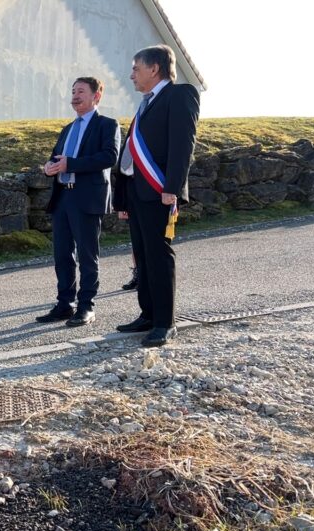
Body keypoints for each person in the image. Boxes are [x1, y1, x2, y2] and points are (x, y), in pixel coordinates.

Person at [114, 44, 200, 347]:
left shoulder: (180, 94)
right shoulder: (145, 102)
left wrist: (171, 189)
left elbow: (182, 145)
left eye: (136, 68)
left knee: (159, 255)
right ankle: (148, 314)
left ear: (155, 68)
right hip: (137, 191)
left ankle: (165, 322)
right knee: (143, 256)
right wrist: (122, 196)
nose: (131, 75)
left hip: (159, 190)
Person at [36, 77, 121, 327]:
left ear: (97, 96)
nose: (75, 95)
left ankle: (86, 307)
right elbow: (56, 158)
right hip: (63, 196)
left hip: (87, 198)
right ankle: (65, 304)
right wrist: (48, 167)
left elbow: (110, 156)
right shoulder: (68, 129)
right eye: (73, 91)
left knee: (87, 255)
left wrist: (71, 164)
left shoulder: (107, 124)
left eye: (81, 91)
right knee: (62, 255)